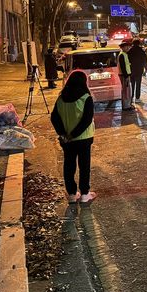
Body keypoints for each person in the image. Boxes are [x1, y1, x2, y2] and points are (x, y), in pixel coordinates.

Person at [51, 70, 97, 204]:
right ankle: (84, 194)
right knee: (84, 166)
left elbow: (54, 118)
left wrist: (63, 134)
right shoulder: (85, 98)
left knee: (69, 165)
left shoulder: (61, 98)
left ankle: (71, 194)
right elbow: (87, 120)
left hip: (67, 140)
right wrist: (74, 134)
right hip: (83, 138)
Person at [127, 39, 147, 103]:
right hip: (139, 70)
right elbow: (144, 60)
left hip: (131, 70)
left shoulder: (130, 51)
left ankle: (131, 97)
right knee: (138, 84)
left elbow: (127, 60)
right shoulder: (141, 51)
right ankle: (137, 98)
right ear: (139, 43)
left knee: (132, 84)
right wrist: (146, 67)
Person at [118, 39, 134, 111]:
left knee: (127, 90)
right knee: (126, 91)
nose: (128, 48)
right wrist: (126, 76)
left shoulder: (124, 54)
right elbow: (123, 66)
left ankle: (127, 105)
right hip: (124, 76)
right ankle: (126, 106)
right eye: (126, 47)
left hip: (126, 75)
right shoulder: (122, 55)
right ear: (122, 48)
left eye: (128, 47)